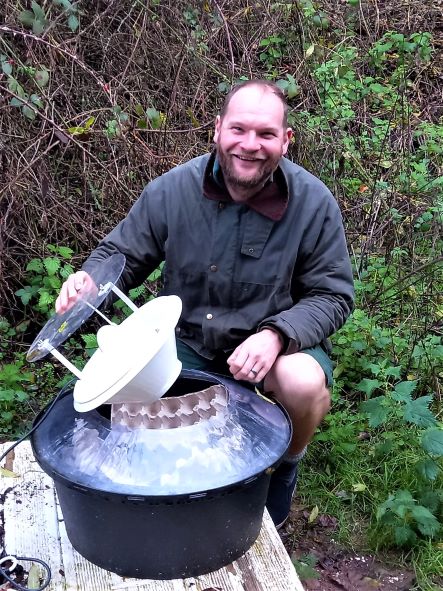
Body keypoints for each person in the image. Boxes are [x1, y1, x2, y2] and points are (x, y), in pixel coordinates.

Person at [56, 80, 354, 529]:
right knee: (120, 411)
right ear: (217, 130)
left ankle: (285, 467)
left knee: (303, 381)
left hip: (274, 348)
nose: (250, 145)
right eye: (238, 130)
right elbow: (121, 257)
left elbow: (333, 295)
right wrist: (86, 282)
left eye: (266, 134)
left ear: (286, 141)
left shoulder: (313, 204)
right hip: (188, 342)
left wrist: (277, 335)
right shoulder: (172, 191)